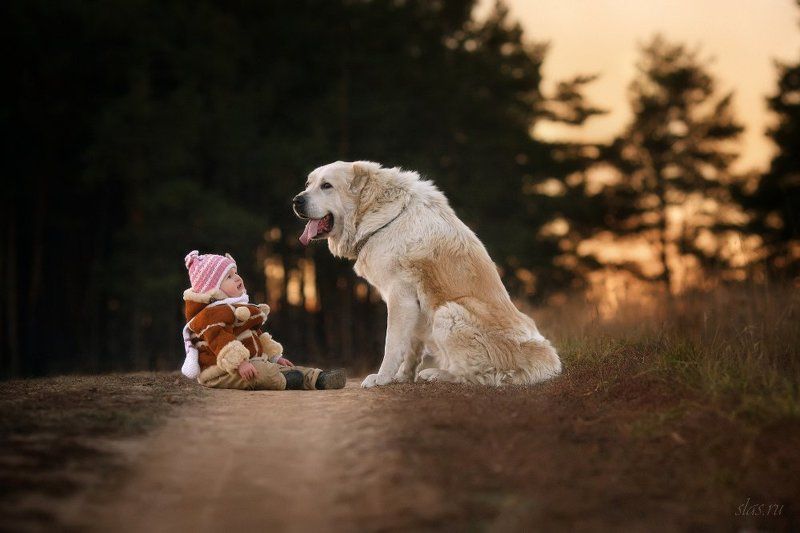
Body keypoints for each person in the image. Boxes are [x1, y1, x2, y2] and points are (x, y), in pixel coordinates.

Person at [180, 250, 345, 390]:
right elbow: (220, 340)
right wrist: (240, 363)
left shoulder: (235, 309)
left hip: (250, 362)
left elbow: (256, 335)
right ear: (213, 289)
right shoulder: (210, 315)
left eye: (235, 273)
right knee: (264, 373)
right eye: (229, 277)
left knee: (281, 367)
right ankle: (289, 381)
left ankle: (318, 378)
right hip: (220, 372)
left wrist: (274, 357)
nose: (237, 278)